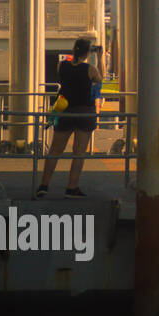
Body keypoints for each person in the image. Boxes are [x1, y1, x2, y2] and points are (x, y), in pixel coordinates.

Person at [35, 37, 102, 199]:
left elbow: (65, 79)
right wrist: (99, 59)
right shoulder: (91, 69)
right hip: (84, 112)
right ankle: (71, 188)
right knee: (78, 153)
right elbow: (98, 86)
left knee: (55, 151)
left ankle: (43, 185)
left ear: (73, 50)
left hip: (65, 110)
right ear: (87, 52)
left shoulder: (62, 65)